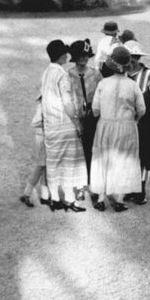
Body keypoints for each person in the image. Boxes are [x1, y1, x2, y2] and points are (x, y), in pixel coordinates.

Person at [90, 46, 145, 212]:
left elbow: (95, 109)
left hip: (106, 125)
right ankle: (119, 199)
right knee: (124, 160)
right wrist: (134, 117)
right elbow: (142, 109)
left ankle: (100, 197)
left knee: (103, 158)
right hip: (126, 126)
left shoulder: (103, 83)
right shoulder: (133, 85)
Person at [39, 40, 87, 212]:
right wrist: (76, 121)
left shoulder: (46, 73)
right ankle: (69, 198)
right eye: (65, 53)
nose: (67, 55)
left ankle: (55, 198)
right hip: (64, 124)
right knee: (70, 163)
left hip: (50, 125)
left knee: (54, 162)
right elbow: (67, 102)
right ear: (60, 56)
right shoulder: (62, 75)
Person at [122, 40, 150, 204]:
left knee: (143, 155)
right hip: (124, 121)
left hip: (143, 123)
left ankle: (140, 189)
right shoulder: (120, 73)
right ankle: (130, 188)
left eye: (136, 57)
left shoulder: (147, 74)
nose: (133, 60)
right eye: (131, 57)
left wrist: (141, 99)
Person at [65, 39, 100, 203]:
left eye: (86, 55)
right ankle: (79, 186)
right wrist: (75, 121)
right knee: (77, 153)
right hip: (75, 118)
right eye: (80, 55)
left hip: (93, 119)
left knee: (91, 152)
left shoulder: (96, 74)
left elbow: (101, 95)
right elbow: (67, 99)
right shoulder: (68, 75)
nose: (84, 58)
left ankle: (93, 185)